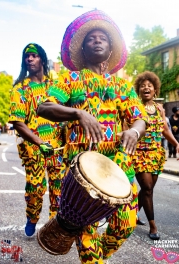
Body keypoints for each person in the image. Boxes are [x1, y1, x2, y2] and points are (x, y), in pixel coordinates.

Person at [37, 10, 148, 264]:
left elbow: (139, 118)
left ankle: (97, 256)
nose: (97, 40)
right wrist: (77, 113)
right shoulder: (71, 80)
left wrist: (133, 130)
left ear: (110, 49)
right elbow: (44, 107)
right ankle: (92, 257)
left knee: (125, 227)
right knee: (88, 244)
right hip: (82, 175)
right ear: (83, 50)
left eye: (103, 38)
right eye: (91, 38)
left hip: (118, 169)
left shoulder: (121, 86)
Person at [8, 43, 65, 237]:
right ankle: (32, 218)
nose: (30, 59)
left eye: (34, 56)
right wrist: (40, 143)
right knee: (35, 190)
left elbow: (67, 106)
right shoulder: (20, 89)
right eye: (27, 57)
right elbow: (17, 122)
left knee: (59, 190)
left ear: (42, 58)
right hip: (34, 149)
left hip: (57, 147)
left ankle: (53, 227)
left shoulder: (54, 85)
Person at [132, 71, 179, 240]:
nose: (146, 88)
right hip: (139, 154)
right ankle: (153, 225)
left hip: (156, 155)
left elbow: (165, 130)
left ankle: (133, 215)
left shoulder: (159, 109)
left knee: (147, 190)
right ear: (139, 90)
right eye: (143, 86)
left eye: (149, 86)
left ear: (155, 90)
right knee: (147, 189)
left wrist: (176, 144)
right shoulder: (135, 107)